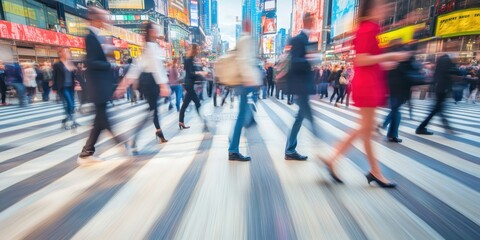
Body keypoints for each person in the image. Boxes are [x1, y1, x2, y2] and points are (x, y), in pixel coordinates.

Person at [323, 0, 410, 188]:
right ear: (372, 8)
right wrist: (390, 56)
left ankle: (367, 169)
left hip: (368, 83)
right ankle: (342, 161)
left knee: (366, 129)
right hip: (367, 85)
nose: (386, 9)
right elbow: (361, 59)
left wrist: (384, 63)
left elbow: (368, 60)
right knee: (365, 128)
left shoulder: (369, 28)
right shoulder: (368, 28)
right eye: (382, 5)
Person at [77, 7, 130, 164]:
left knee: (100, 121)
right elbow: (91, 62)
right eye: (103, 18)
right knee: (102, 119)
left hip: (100, 86)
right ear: (94, 18)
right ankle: (119, 143)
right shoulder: (90, 37)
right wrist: (109, 64)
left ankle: (87, 153)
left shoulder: (96, 36)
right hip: (98, 86)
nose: (106, 21)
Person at [117, 22, 170, 151]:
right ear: (151, 31)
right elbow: (157, 67)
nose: (157, 32)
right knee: (151, 111)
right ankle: (133, 139)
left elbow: (136, 67)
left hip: (147, 81)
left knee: (153, 110)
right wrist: (163, 85)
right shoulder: (151, 46)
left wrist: (124, 84)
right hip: (152, 81)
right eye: (155, 29)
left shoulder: (147, 46)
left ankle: (159, 133)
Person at [284, 12, 318, 161]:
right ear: (308, 22)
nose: (314, 24)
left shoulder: (307, 40)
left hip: (303, 86)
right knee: (309, 119)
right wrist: (311, 59)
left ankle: (290, 149)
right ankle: (321, 147)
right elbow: (295, 62)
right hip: (300, 86)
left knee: (301, 117)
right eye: (312, 22)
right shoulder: (298, 40)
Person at [228, 20, 261, 161]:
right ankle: (233, 149)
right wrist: (249, 77)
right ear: (248, 26)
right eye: (250, 25)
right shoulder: (246, 39)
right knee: (242, 114)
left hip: (240, 81)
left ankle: (233, 143)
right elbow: (244, 60)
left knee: (242, 111)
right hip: (244, 81)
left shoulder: (240, 39)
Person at [415, 54, 458, 135]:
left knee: (437, 109)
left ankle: (446, 126)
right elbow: (447, 74)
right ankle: (421, 128)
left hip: (439, 88)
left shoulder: (441, 62)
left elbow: (438, 76)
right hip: (442, 89)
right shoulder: (446, 61)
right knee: (437, 109)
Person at [178, 43, 208, 129]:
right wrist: (200, 72)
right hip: (189, 84)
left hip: (189, 84)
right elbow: (191, 73)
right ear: (194, 50)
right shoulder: (189, 59)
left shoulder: (190, 59)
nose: (199, 50)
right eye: (197, 49)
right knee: (197, 103)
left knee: (185, 104)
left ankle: (181, 121)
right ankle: (204, 122)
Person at [53, 48, 79, 129]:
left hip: (71, 86)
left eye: (68, 51)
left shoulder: (70, 63)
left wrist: (75, 74)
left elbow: (74, 75)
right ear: (60, 53)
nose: (67, 53)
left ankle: (66, 121)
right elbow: (55, 76)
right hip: (63, 87)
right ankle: (70, 121)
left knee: (72, 105)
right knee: (69, 104)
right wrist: (54, 88)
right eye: (65, 51)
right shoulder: (57, 65)